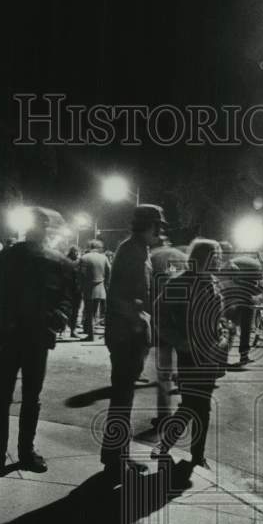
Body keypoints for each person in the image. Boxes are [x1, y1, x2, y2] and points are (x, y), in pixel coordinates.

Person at [0, 207, 74, 473]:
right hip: (35, 337)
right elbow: (68, 299)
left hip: (13, 334)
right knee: (28, 397)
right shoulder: (57, 261)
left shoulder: (6, 257)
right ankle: (23, 452)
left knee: (3, 397)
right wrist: (57, 316)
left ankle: (0, 454)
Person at [100, 204, 166, 478]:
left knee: (123, 398)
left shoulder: (138, 250)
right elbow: (123, 298)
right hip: (127, 336)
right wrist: (142, 321)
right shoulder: (133, 252)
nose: (161, 232)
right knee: (122, 399)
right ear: (149, 226)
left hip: (129, 334)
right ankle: (115, 460)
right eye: (158, 226)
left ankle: (116, 456)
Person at [152, 239, 227, 469]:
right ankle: (192, 454)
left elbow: (219, 318)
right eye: (214, 254)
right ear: (202, 257)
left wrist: (223, 333)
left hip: (211, 355)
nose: (218, 258)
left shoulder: (213, 282)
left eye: (219, 255)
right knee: (197, 405)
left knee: (197, 405)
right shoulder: (181, 283)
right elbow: (158, 314)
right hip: (191, 355)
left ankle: (181, 450)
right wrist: (179, 341)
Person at [149, 237, 188, 428]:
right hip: (181, 318)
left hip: (162, 317)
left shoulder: (152, 257)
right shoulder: (182, 257)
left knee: (163, 370)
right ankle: (185, 403)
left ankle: (164, 414)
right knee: (183, 362)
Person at [79, 239, 111, 341]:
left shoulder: (84, 258)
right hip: (100, 288)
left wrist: (82, 286)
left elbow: (81, 274)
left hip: (88, 288)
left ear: (90, 247)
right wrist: (105, 283)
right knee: (96, 311)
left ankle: (91, 335)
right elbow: (109, 272)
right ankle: (94, 334)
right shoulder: (104, 258)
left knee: (89, 312)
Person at [65, 245, 83, 338]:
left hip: (75, 289)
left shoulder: (77, 262)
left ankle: (72, 329)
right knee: (69, 310)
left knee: (75, 310)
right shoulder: (72, 262)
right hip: (70, 289)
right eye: (75, 252)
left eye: (77, 252)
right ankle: (69, 329)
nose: (77, 254)